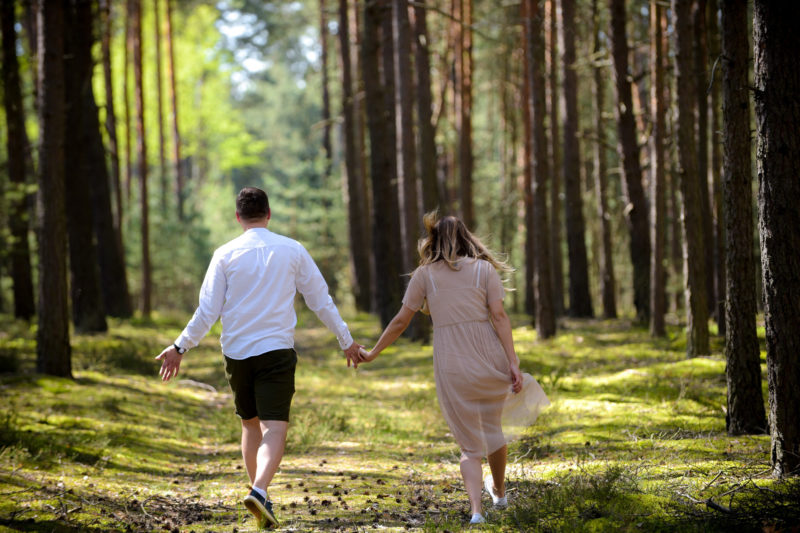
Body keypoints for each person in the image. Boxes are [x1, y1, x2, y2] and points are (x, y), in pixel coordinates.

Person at [155, 187, 362, 530]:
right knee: (275, 426)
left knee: (250, 424)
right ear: (269, 213)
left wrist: (179, 348)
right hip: (277, 351)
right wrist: (347, 340)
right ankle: (260, 491)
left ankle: (259, 496)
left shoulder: (225, 254)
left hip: (236, 353)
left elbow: (208, 311)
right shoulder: (292, 249)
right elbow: (320, 300)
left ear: (238, 217)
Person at [356, 212, 549, 524]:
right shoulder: (484, 270)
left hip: (451, 362)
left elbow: (401, 320)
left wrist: (374, 352)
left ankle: (476, 512)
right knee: (492, 429)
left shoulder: (424, 275)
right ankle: (499, 493)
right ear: (466, 237)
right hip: (488, 355)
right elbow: (499, 317)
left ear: (433, 240)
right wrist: (513, 362)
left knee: (470, 446)